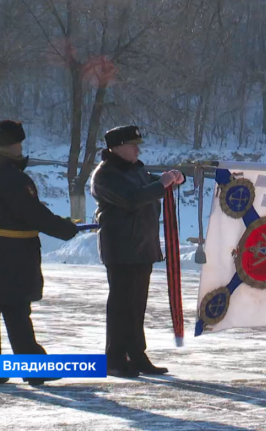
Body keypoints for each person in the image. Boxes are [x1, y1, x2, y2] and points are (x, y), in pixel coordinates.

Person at [0, 120, 80, 386]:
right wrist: (66, 228)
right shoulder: (9, 176)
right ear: (7, 146)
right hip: (9, 254)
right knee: (16, 310)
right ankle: (35, 369)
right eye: (18, 144)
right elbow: (31, 212)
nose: (21, 148)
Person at [90, 125, 185, 378]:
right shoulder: (105, 175)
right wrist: (162, 184)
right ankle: (115, 357)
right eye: (133, 145)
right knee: (121, 305)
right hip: (121, 249)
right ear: (117, 147)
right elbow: (132, 199)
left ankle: (136, 353)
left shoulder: (136, 169)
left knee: (136, 305)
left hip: (141, 247)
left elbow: (153, 185)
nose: (137, 149)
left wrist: (173, 178)